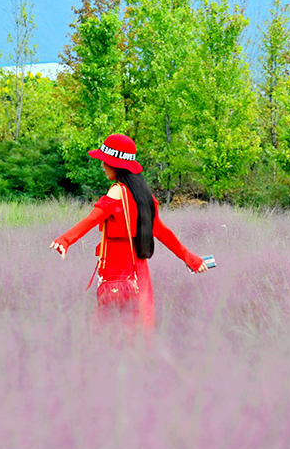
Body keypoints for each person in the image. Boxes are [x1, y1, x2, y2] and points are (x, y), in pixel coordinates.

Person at [50, 133, 207, 330]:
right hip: (139, 275)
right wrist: (190, 258)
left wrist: (65, 240)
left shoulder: (116, 191)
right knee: (137, 335)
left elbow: (92, 219)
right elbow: (163, 232)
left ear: (116, 165)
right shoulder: (144, 196)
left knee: (107, 337)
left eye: (104, 161)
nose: (102, 166)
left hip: (118, 275)